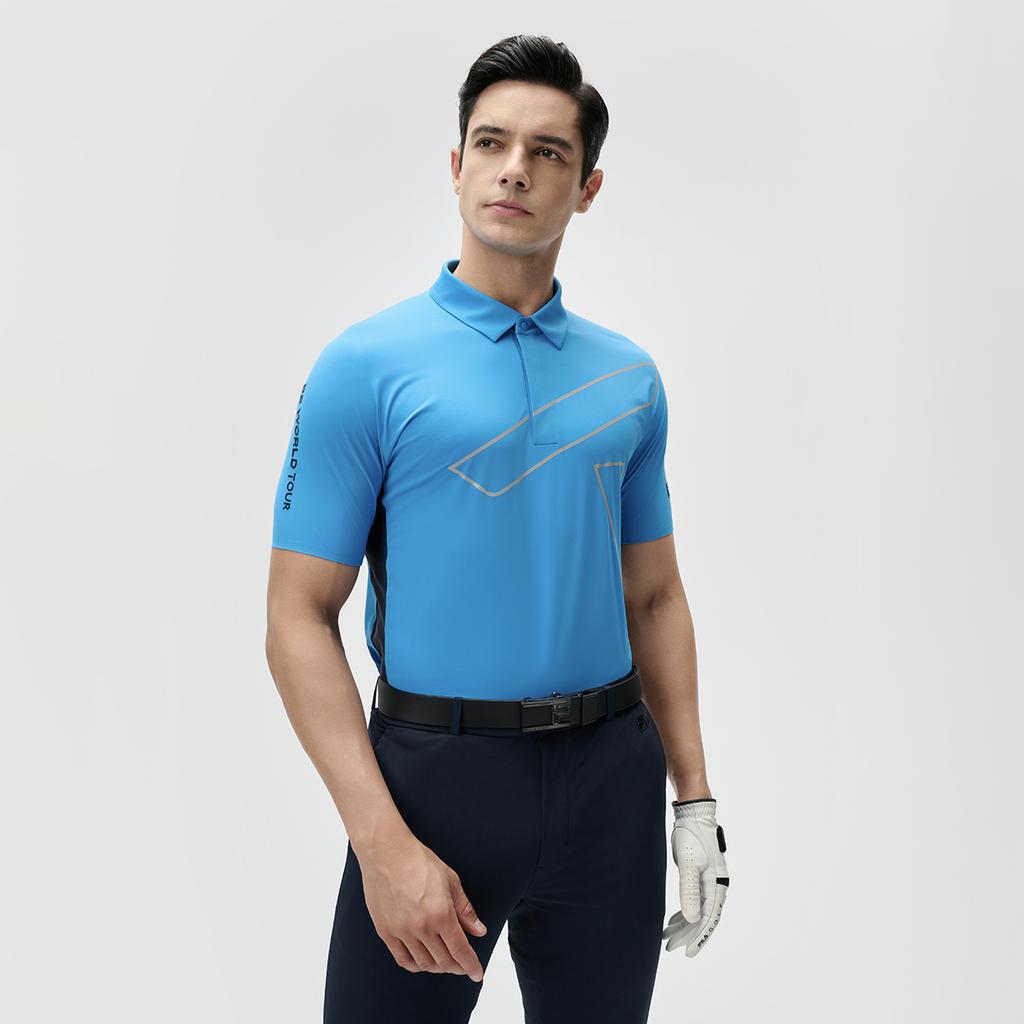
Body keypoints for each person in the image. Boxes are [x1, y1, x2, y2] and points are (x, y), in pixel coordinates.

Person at [265, 32, 729, 1024]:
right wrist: (381, 843)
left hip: (611, 781)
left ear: (587, 188)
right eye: (491, 142)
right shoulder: (365, 367)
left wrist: (693, 799)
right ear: (457, 165)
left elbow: (653, 596)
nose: (514, 168)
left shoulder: (627, 378)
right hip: (438, 783)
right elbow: (296, 617)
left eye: (547, 151)